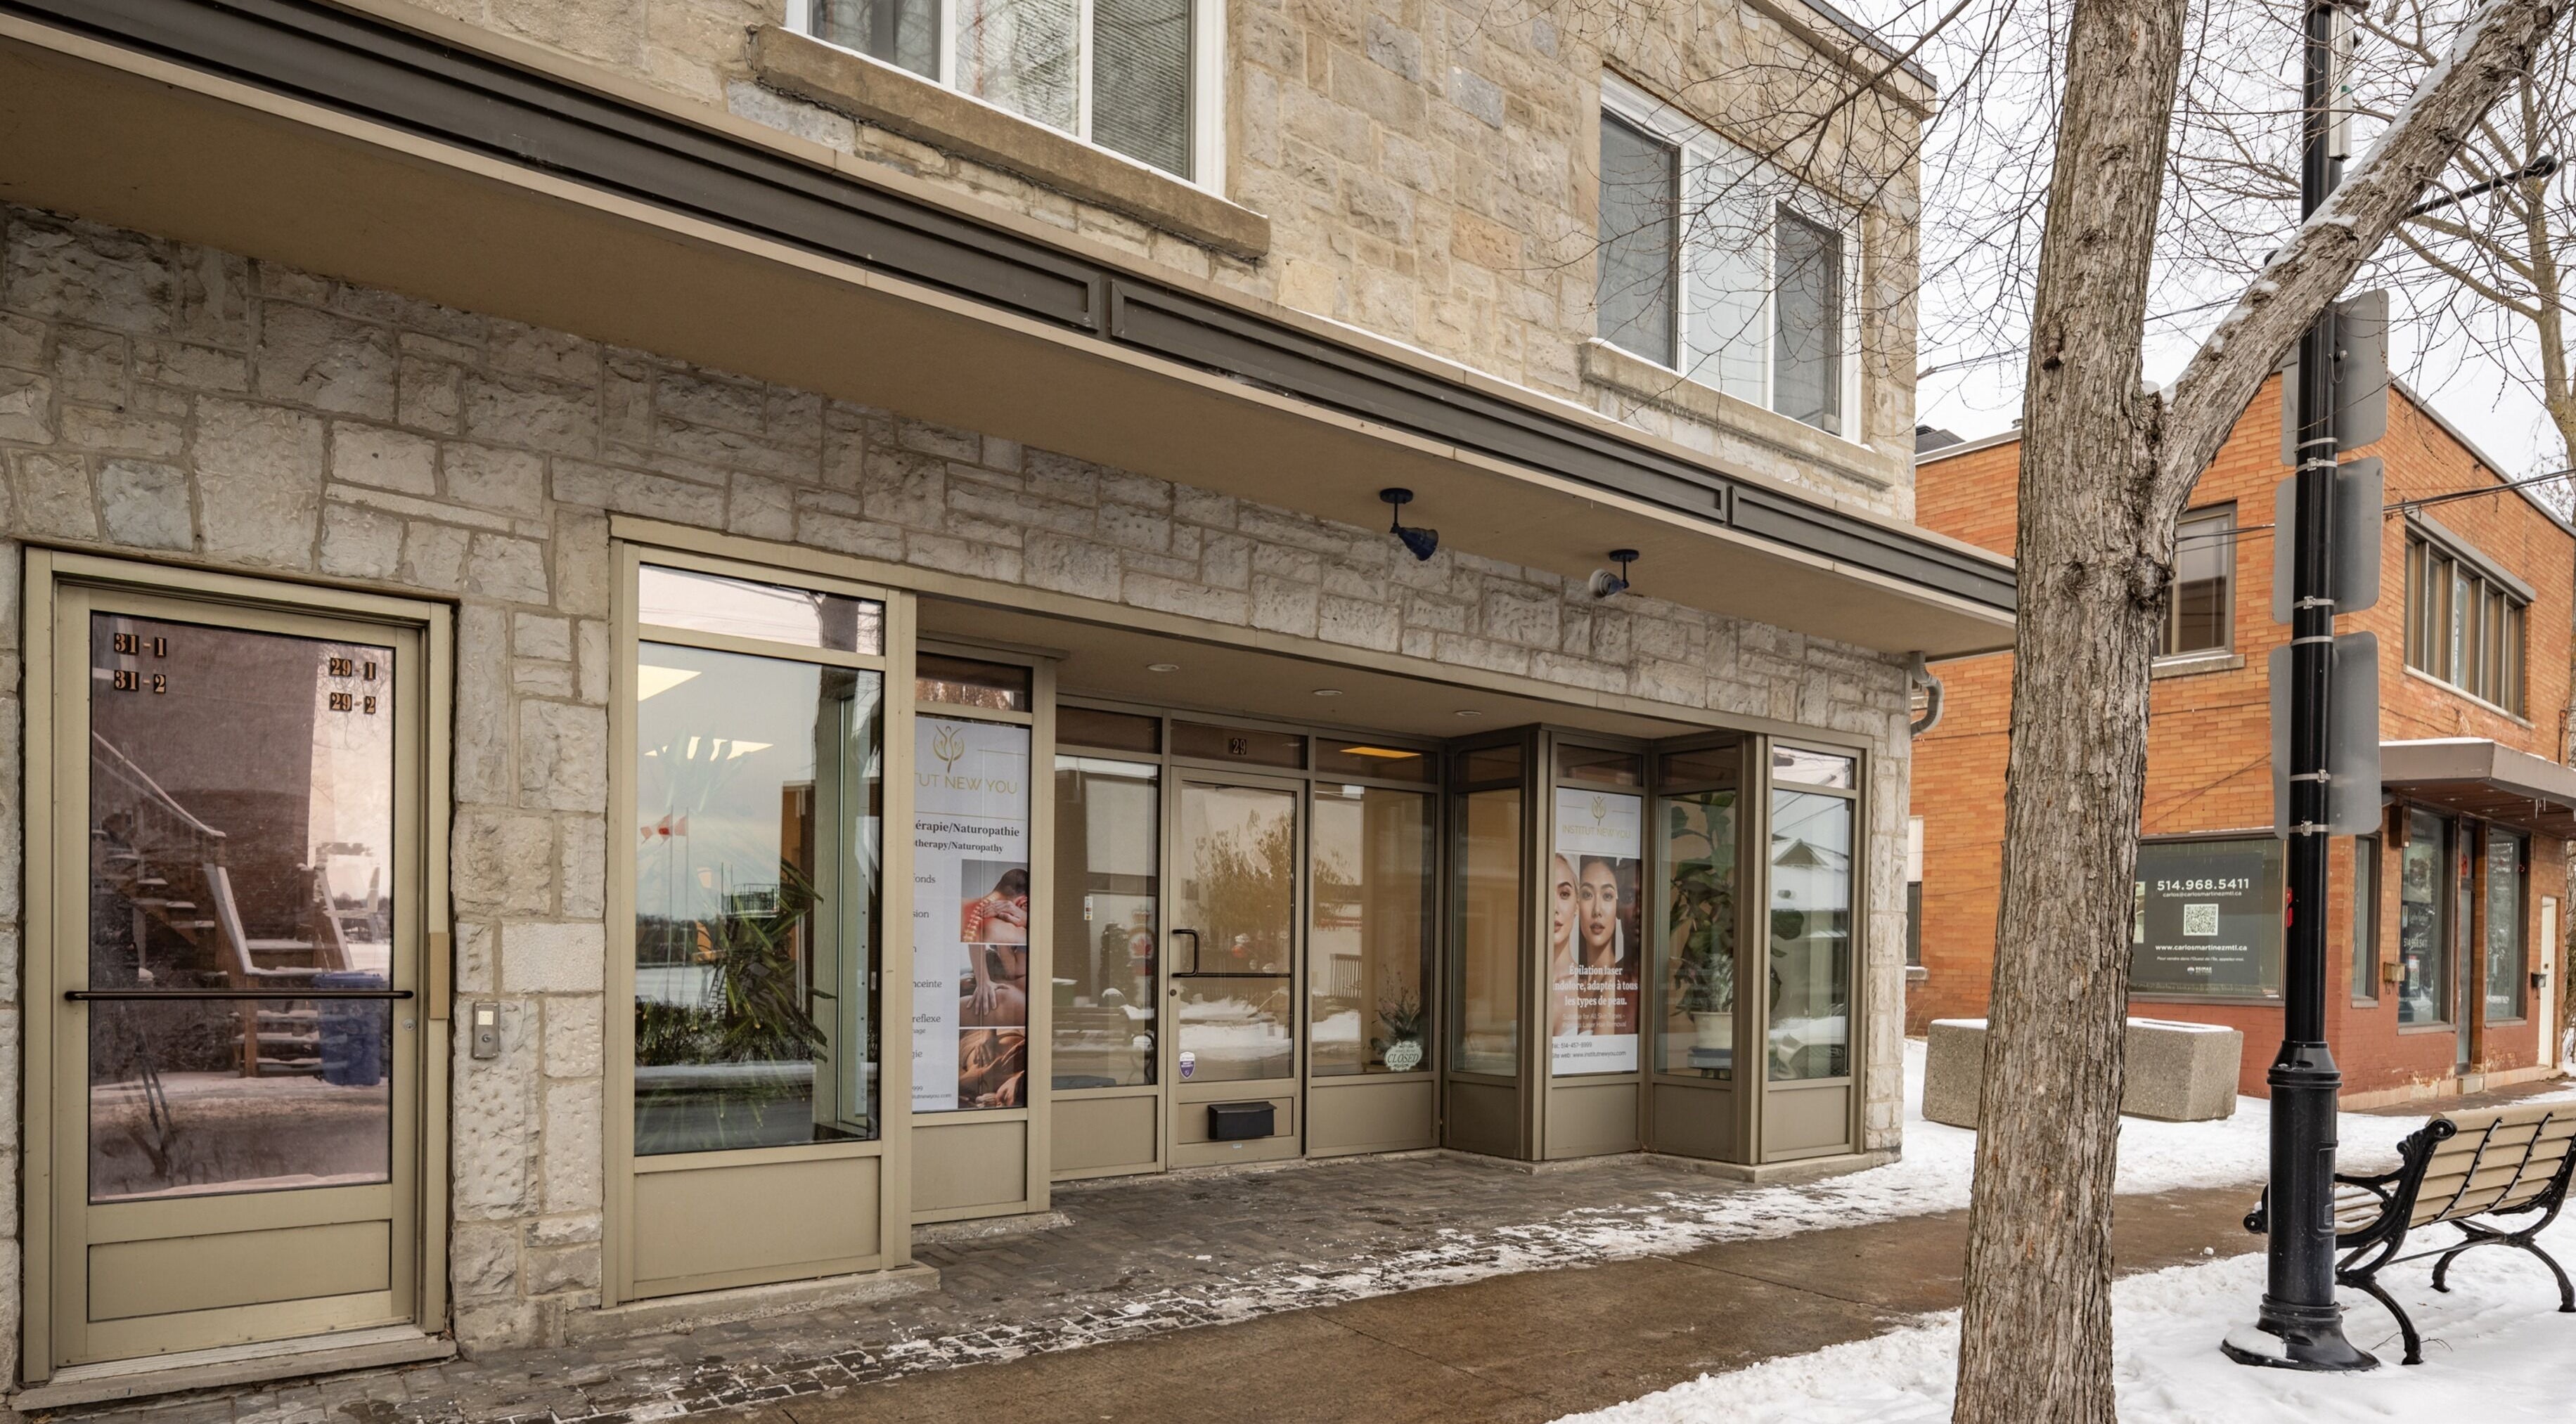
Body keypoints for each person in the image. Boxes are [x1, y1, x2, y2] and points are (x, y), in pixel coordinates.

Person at [1578, 856, 1640, 1035]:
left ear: (1616, 905)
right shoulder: (1569, 986)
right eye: (1587, 895)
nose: (1597, 910)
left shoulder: (1616, 984)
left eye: (1607, 896)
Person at [1549, 853, 1582, 1036]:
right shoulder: (1519, 981)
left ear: (1577, 904)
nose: (1554, 907)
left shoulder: (1590, 987)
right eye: (1544, 893)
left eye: (1564, 894)